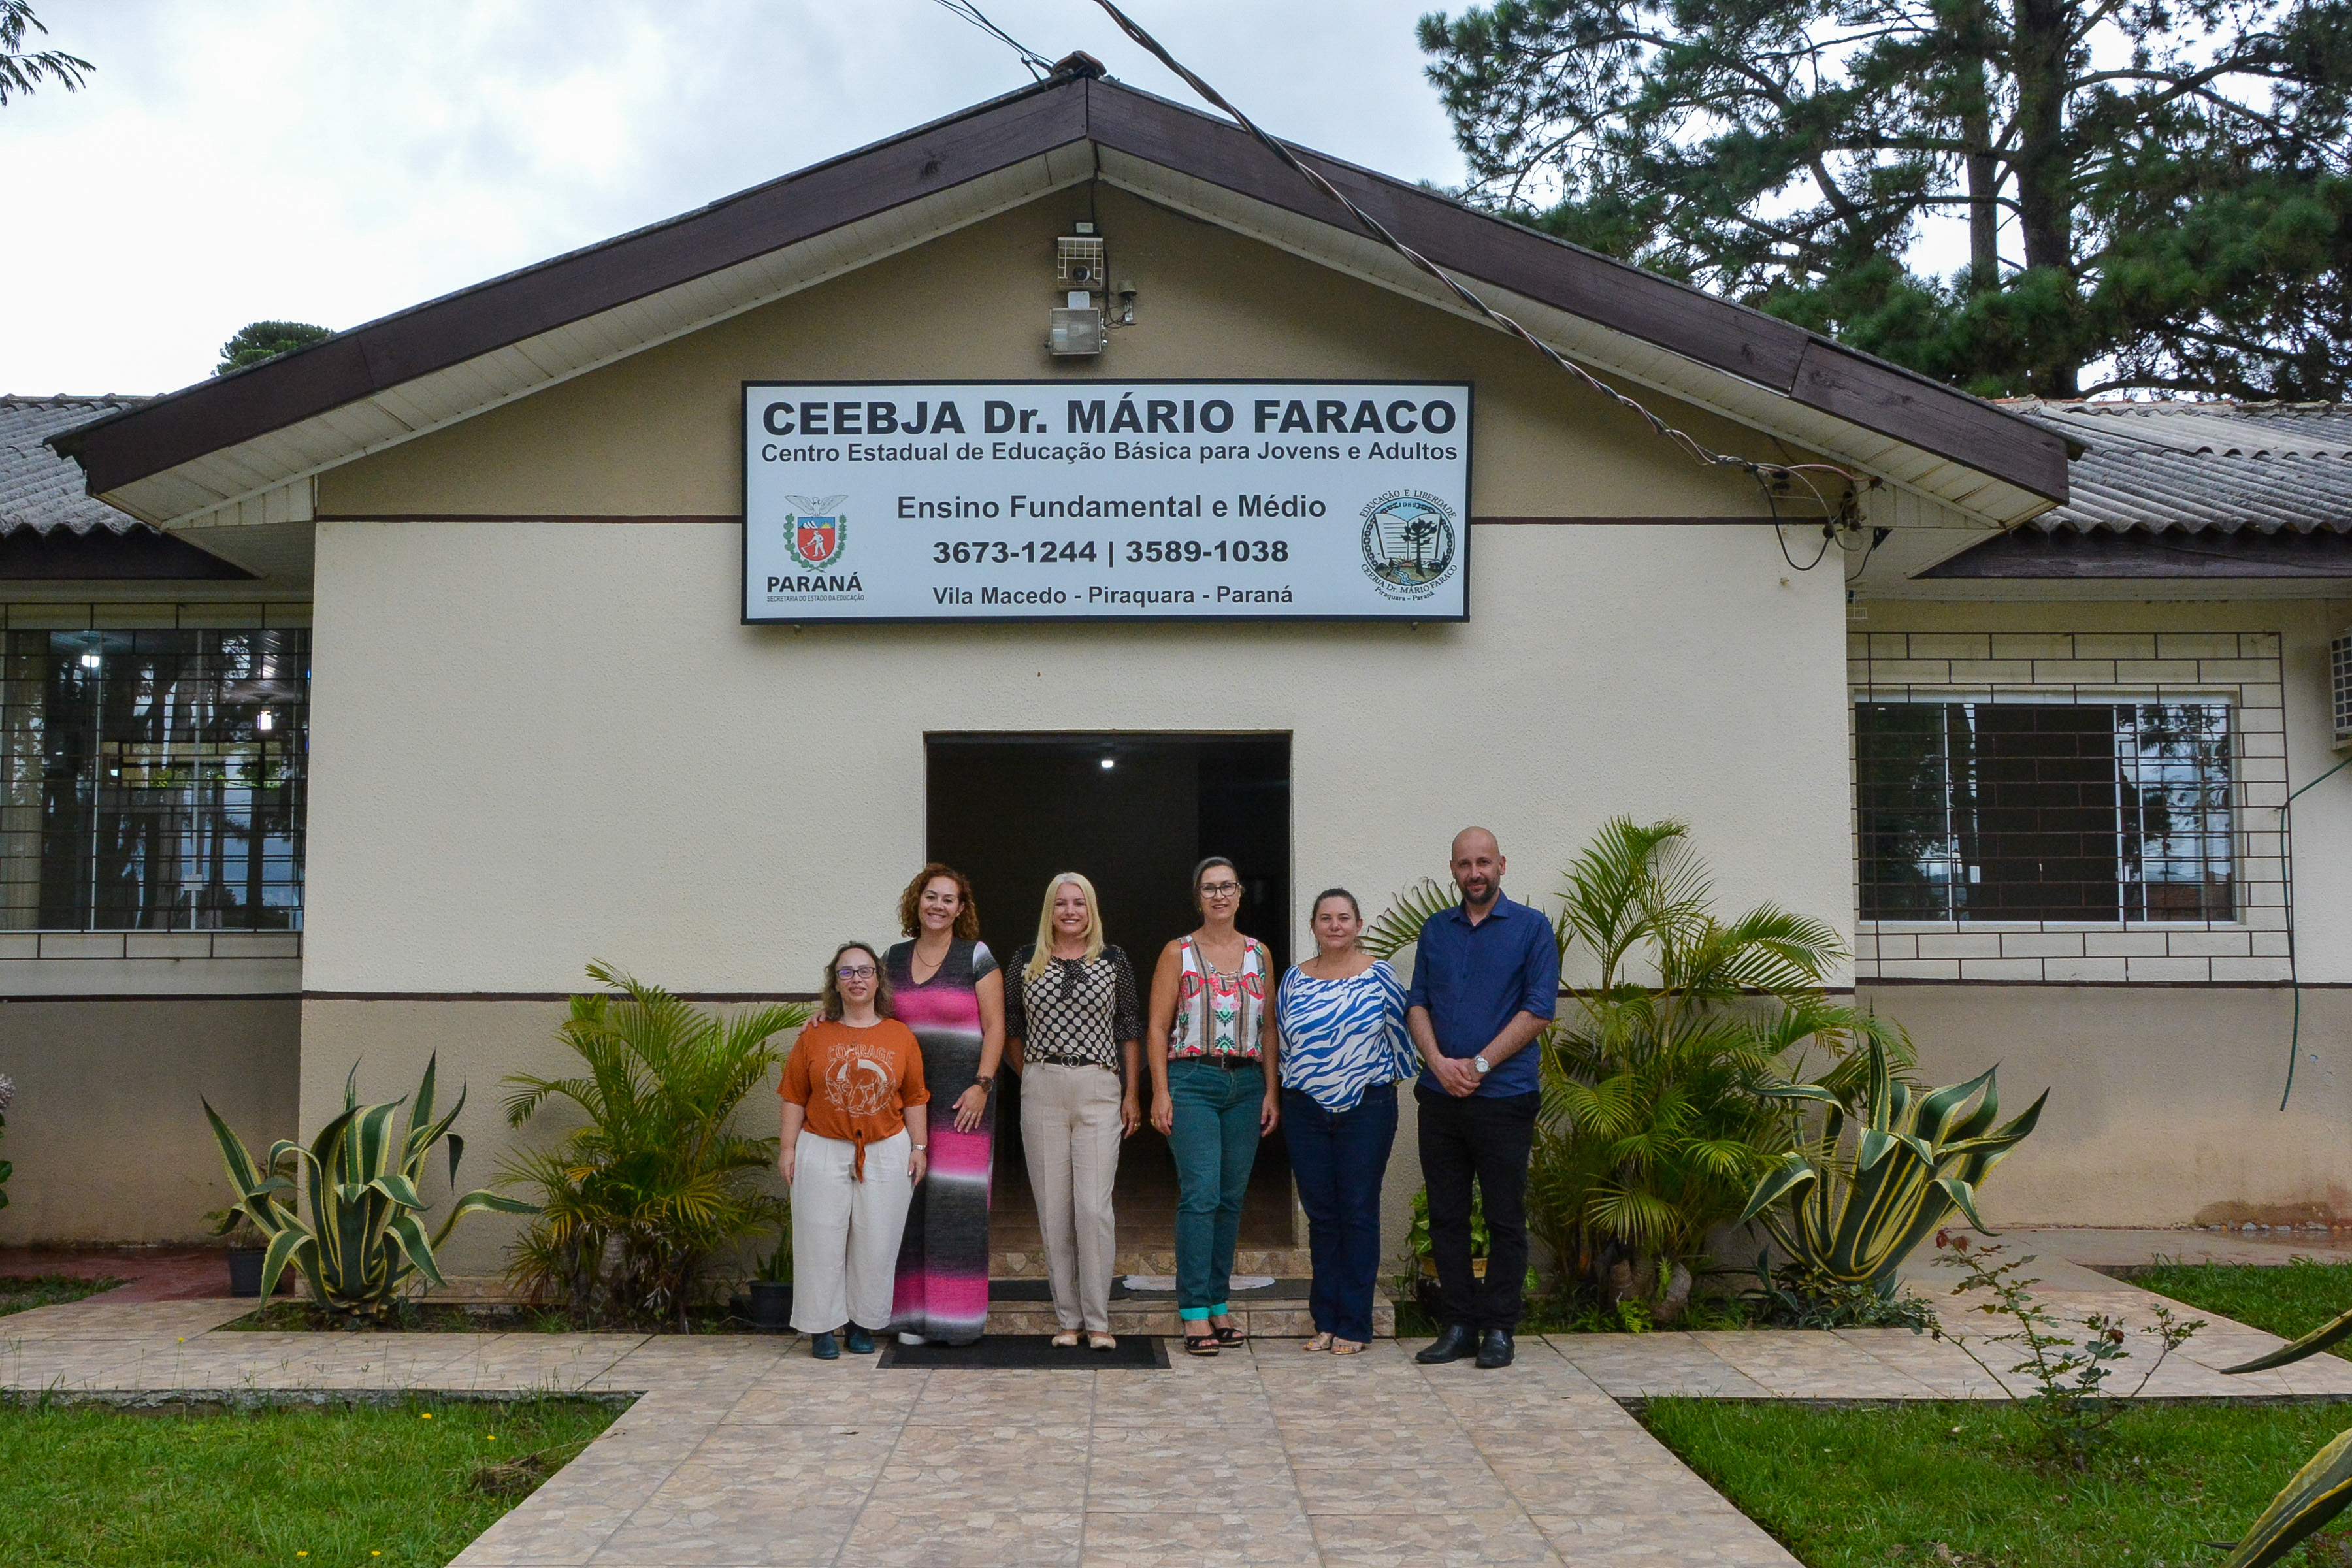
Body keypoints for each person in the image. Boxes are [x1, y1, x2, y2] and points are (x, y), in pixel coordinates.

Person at [1407, 827, 1560, 1371]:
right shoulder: (1436, 930)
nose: (1475, 873)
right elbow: (1417, 1003)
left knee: (1504, 1217)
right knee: (1446, 1216)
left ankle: (1499, 1328)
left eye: (1484, 863)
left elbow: (1538, 1010)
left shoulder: (1532, 928)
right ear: (1453, 869)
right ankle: (1458, 1326)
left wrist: (1478, 1066)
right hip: (1440, 1097)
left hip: (1504, 1097)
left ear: (1502, 865)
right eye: (1465, 864)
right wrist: (1437, 1062)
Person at [1147, 856, 1280, 1358]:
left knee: (1230, 1197)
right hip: (1192, 1081)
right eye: (1209, 888)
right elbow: (1157, 1027)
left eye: (1227, 887)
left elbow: (1269, 1027)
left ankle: (1219, 1301)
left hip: (1245, 1085)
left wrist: (1271, 1090)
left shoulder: (1259, 953)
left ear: (1240, 893)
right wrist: (1160, 1091)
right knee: (1200, 1193)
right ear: (1198, 897)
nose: (1219, 896)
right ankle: (1194, 1310)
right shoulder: (1177, 952)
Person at [1004, 872, 1142, 1350]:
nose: (1070, 911)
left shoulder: (1114, 960)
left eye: (1079, 903)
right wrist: (1032, 1074)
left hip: (1099, 1084)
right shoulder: (1025, 960)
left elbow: (1129, 1026)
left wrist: (1131, 1092)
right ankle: (1069, 1319)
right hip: (1042, 1083)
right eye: (1061, 903)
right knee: (1054, 1210)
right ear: (1050, 909)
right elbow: (1011, 1026)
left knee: (1093, 1208)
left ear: (1091, 909)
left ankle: (1098, 1321)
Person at [1275, 887, 1418, 1354]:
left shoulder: (1381, 976)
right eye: (1325, 918)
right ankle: (1326, 1321)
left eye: (1343, 918)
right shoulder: (1294, 979)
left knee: (1357, 1212)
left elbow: (1402, 1040)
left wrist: (1375, 1089)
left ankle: (1355, 1324)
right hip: (1305, 1110)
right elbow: (1283, 1043)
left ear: (1358, 925)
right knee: (1322, 1217)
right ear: (1313, 926)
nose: (1334, 925)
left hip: (1367, 1110)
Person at [778, 941, 930, 1360]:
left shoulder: (900, 1035)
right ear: (835, 983)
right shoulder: (814, 1034)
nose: (856, 979)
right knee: (819, 1239)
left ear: (878, 980)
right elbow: (793, 1095)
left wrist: (919, 1147)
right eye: (846, 972)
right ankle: (821, 1327)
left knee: (877, 1240)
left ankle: (862, 1324)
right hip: (822, 1147)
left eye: (865, 971)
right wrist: (788, 1148)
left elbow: (915, 1096)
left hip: (886, 1148)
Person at [884, 864, 1006, 1348]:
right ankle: (911, 1318)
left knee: (958, 1209)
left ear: (960, 909)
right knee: (909, 1203)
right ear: (917, 902)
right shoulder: (892, 959)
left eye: (948, 899)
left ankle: (956, 1321)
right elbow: (866, 1011)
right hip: (904, 1105)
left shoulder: (976, 956)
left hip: (964, 1106)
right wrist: (822, 1018)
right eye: (931, 896)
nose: (938, 905)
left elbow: (996, 1027)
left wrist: (982, 1085)